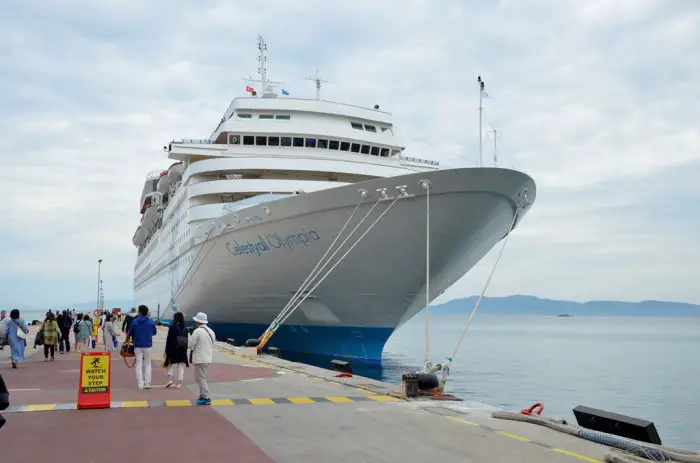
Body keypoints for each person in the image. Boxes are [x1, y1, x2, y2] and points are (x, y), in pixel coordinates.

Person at [188, 312, 216, 405]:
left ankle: (206, 397)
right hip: (208, 358)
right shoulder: (211, 331)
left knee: (200, 379)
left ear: (198, 321)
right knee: (201, 377)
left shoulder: (197, 331)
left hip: (200, 358)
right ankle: (202, 395)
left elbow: (191, 345)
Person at [126, 305, 157, 390]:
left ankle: (140, 384)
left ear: (139, 312)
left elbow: (130, 332)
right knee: (148, 364)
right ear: (147, 313)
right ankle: (147, 383)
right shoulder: (151, 322)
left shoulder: (135, 321)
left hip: (137, 346)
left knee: (138, 364)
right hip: (148, 345)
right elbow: (154, 332)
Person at [164, 312, 189, 389]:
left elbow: (169, 339)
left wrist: (166, 350)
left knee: (170, 364)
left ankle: (170, 380)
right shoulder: (185, 328)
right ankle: (179, 384)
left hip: (173, 348)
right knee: (180, 366)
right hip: (182, 348)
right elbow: (186, 338)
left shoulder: (172, 327)